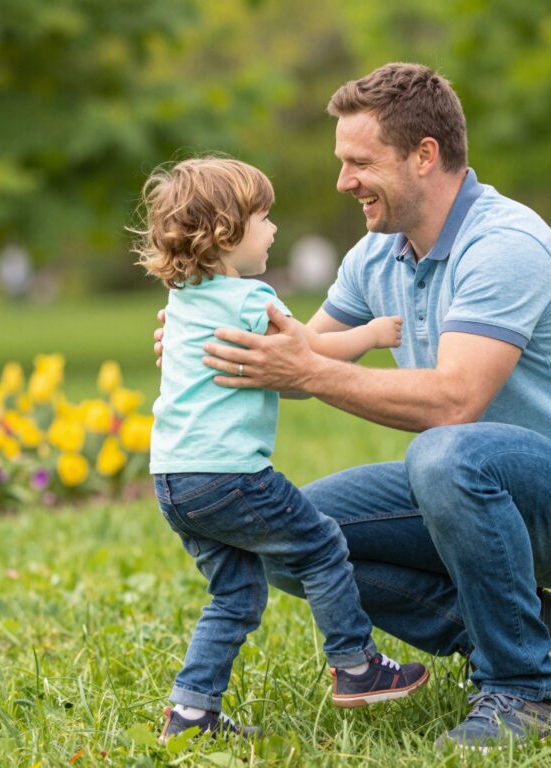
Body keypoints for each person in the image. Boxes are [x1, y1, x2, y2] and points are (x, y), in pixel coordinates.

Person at [154, 64, 551, 749]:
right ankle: (518, 628)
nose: (343, 181)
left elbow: (455, 400)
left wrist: (303, 365)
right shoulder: (375, 257)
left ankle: (523, 692)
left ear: (424, 155)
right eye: (342, 162)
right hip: (467, 482)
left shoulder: (505, 245)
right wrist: (218, 348)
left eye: (361, 162)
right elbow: (298, 362)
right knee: (282, 535)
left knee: (445, 451)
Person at [133, 157, 428, 742]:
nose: (273, 230)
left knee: (236, 595)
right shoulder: (250, 299)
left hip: (174, 480)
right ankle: (356, 665)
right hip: (230, 476)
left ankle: (190, 714)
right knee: (322, 544)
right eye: (263, 218)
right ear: (225, 233)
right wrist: (371, 334)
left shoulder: (185, 299)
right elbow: (307, 351)